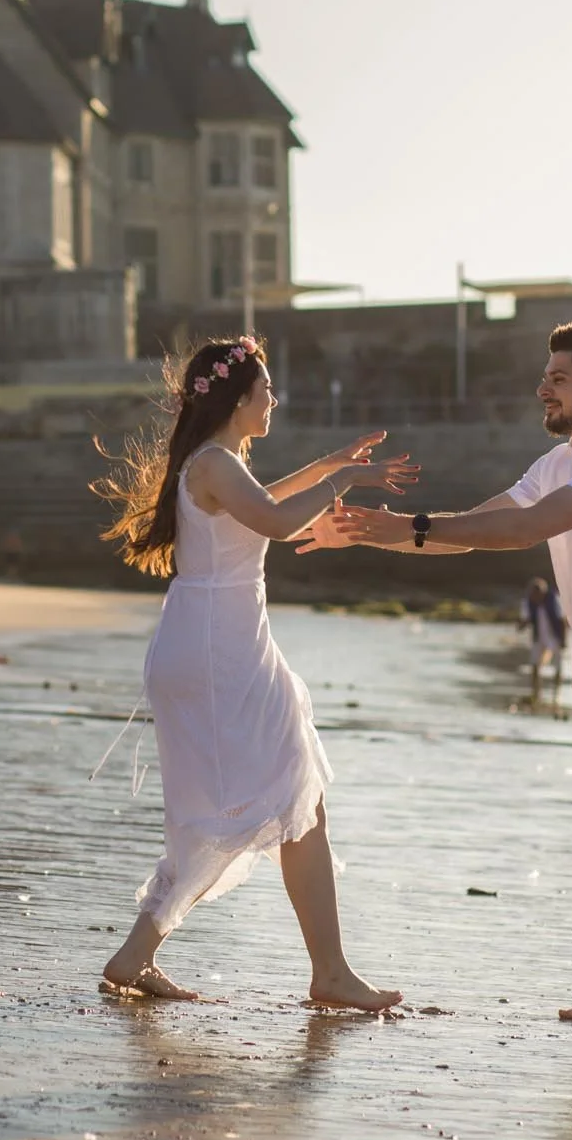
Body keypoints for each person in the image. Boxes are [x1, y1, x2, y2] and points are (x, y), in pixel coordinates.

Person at [304, 321, 572, 1036]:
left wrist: (418, 525)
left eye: (557, 377)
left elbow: (529, 531)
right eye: (546, 375)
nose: (543, 387)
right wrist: (392, 529)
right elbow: (491, 517)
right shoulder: (560, 461)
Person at [92, 334, 416, 1010]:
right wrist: (343, 480)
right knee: (294, 793)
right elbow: (270, 517)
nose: (274, 399)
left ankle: (136, 954)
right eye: (266, 390)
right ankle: (329, 972)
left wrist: (327, 465)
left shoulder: (215, 463)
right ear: (239, 401)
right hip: (221, 650)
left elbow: (262, 497)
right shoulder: (212, 463)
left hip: (212, 643)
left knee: (252, 802)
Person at [519, 576, 568, 712]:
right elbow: (525, 619)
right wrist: (520, 625)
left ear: (543, 592)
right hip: (539, 638)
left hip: (554, 637)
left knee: (558, 666)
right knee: (534, 664)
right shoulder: (529, 602)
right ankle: (536, 693)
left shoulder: (553, 600)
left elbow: (562, 621)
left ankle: (556, 694)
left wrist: (564, 640)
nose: (535, 596)